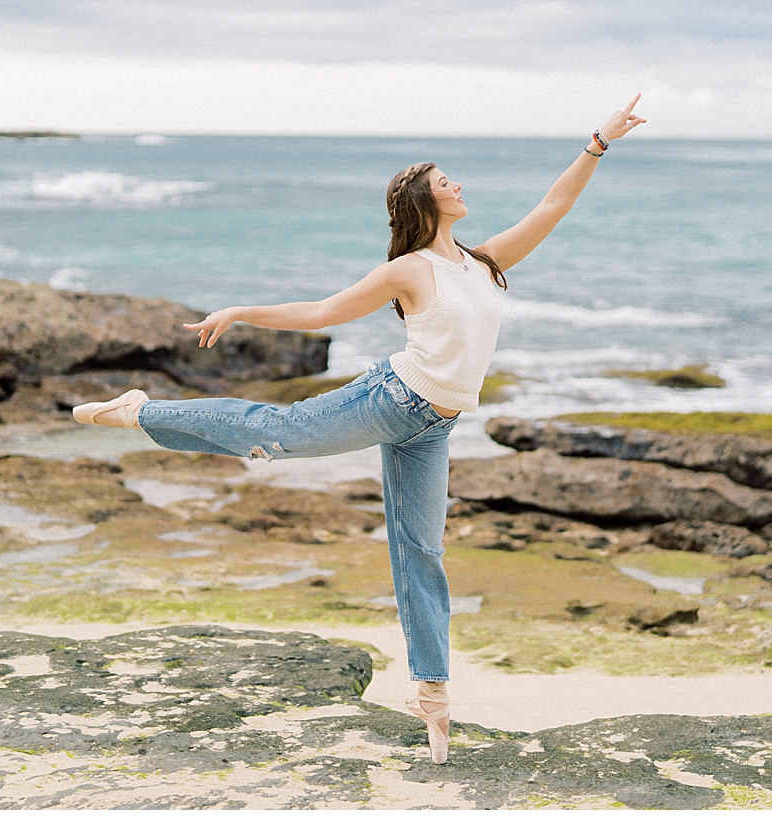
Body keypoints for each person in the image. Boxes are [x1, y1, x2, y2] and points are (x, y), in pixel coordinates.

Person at [73, 97, 647, 763]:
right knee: (277, 433)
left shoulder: (483, 261)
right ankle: (141, 411)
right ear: (422, 203)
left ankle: (432, 695)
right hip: (391, 396)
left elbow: (554, 205)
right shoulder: (411, 270)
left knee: (420, 552)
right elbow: (323, 311)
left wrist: (598, 142)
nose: (456, 183)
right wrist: (244, 310)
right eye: (443, 180)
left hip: (432, 426)